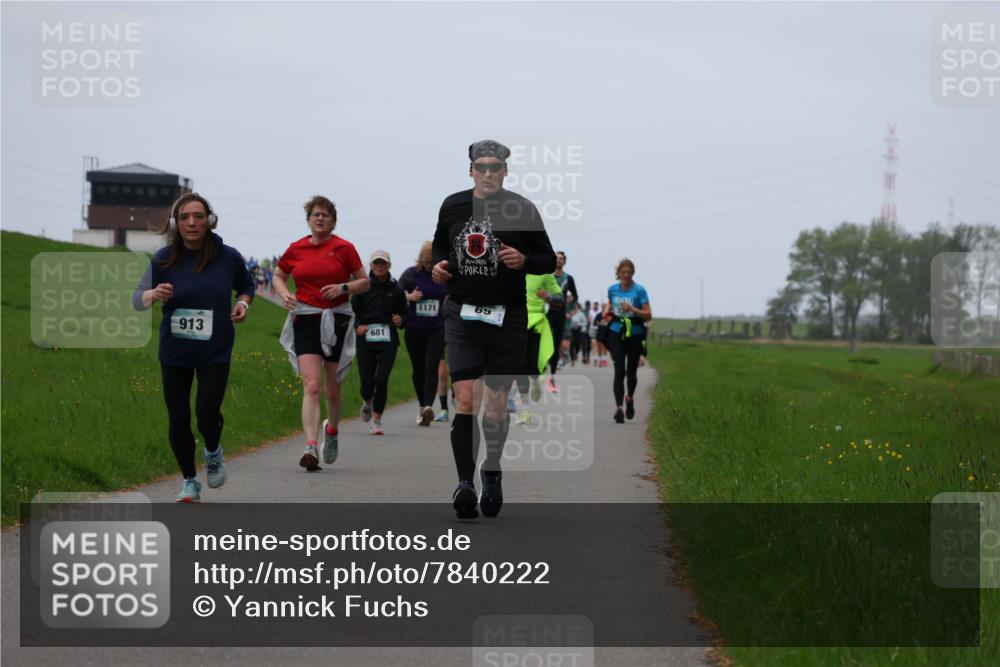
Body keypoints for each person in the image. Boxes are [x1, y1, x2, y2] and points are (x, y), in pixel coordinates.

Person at [432, 139, 556, 519]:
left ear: (505, 170)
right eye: (481, 166)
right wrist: (438, 266)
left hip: (509, 317)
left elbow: (547, 258)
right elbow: (440, 245)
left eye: (495, 167)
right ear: (470, 170)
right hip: (462, 314)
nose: (488, 173)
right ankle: (465, 483)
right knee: (466, 399)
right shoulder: (453, 204)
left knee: (497, 406)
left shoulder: (522, 208)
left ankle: (493, 469)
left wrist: (524, 259)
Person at [133, 193, 254, 502]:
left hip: (216, 349)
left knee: (206, 410)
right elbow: (137, 299)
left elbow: (246, 285)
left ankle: (213, 451)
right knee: (178, 418)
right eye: (185, 217)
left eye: (198, 216)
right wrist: (154, 294)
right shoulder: (163, 259)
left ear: (209, 220)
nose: (192, 223)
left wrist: (242, 303)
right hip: (175, 352)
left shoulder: (228, 257)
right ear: (176, 222)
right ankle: (189, 480)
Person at [273, 195, 369, 471]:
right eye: (315, 214)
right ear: (309, 219)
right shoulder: (297, 248)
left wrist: (344, 288)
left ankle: (333, 431)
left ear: (333, 221)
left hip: (337, 319)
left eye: (326, 215)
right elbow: (279, 275)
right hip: (305, 318)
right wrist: (284, 293)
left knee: (333, 391)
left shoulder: (344, 248)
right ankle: (311, 446)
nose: (320, 218)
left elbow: (364, 282)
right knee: (312, 385)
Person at [352, 250, 407, 435]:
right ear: (371, 265)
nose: (379, 266)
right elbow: (352, 313)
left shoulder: (397, 289)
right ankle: (367, 400)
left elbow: (405, 314)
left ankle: (376, 420)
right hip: (366, 338)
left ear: (389, 266)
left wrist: (401, 321)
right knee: (367, 381)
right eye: (376, 263)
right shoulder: (362, 287)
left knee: (382, 380)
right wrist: (357, 326)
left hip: (388, 338)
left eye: (383, 263)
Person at [399, 241, 447, 427]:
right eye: (427, 263)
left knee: (431, 365)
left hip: (437, 327)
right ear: (421, 260)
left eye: (432, 263)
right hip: (414, 328)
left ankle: (428, 406)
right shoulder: (411, 274)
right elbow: (396, 291)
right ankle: (421, 406)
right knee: (418, 368)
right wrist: (409, 297)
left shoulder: (442, 275)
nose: (430, 266)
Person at [602, 259, 652, 423]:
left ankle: (629, 398)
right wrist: (607, 312)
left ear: (633, 274)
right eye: (623, 273)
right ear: (618, 274)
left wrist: (632, 309)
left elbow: (648, 315)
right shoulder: (612, 289)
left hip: (635, 333)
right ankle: (619, 408)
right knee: (619, 370)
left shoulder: (639, 290)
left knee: (631, 372)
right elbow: (609, 304)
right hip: (616, 331)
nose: (626, 276)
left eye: (629, 273)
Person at [514, 272, 561, 424]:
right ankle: (526, 409)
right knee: (520, 367)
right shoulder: (512, 270)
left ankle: (535, 380)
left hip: (536, 321)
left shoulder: (545, 273)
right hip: (517, 321)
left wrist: (548, 296)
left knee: (532, 366)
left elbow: (560, 299)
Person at [545, 251, 577, 391]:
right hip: (545, 312)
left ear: (564, 262)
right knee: (543, 341)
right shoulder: (546, 276)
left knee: (556, 343)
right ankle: (539, 369)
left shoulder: (568, 278)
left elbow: (575, 295)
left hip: (559, 314)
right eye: (556, 259)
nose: (559, 261)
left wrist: (571, 300)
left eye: (561, 259)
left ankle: (551, 376)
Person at [580, 300, 592, 364]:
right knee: (584, 344)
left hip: (590, 330)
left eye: (588, 305)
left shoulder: (591, 311)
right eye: (587, 305)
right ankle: (584, 357)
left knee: (589, 345)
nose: (588, 306)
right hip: (584, 330)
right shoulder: (583, 311)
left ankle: (587, 357)